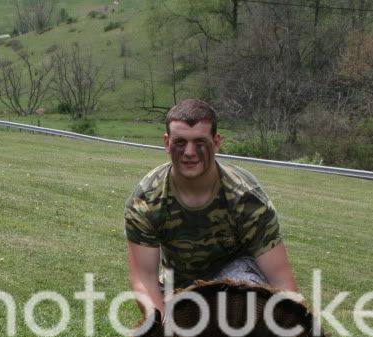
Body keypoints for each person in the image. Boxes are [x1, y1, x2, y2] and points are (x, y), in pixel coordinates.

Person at [125, 99, 298, 318]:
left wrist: (296, 327)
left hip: (238, 285)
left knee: (241, 302)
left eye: (200, 142)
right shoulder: (146, 200)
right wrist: (162, 328)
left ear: (216, 143)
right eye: (180, 142)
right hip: (179, 290)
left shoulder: (247, 198)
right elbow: (144, 279)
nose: (189, 152)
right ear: (167, 143)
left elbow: (280, 277)